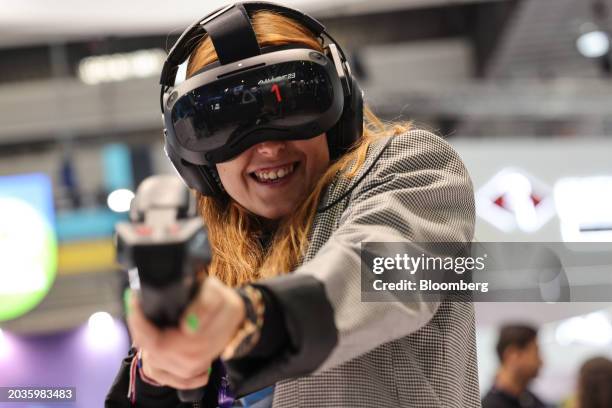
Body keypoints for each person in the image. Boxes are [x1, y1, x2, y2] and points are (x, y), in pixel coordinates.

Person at [105, 2, 478, 407]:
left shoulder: (413, 169)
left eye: (292, 105)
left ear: (340, 109)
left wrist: (248, 319)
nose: (266, 146)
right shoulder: (204, 259)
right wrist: (157, 377)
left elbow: (376, 274)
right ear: (194, 158)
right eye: (227, 124)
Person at [482, 324, 547, 408]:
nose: (541, 362)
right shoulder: (488, 405)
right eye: (535, 353)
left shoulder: (532, 401)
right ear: (512, 355)